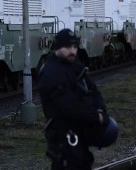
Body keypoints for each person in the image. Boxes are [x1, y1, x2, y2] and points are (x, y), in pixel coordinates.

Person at [38, 29, 111, 170]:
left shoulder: (74, 65)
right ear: (58, 48)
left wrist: (101, 109)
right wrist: (97, 117)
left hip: (81, 133)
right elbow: (68, 107)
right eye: (68, 47)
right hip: (63, 136)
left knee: (84, 162)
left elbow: (93, 90)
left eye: (75, 47)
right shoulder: (51, 72)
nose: (72, 51)